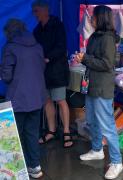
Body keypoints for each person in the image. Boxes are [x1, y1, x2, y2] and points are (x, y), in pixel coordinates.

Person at [75, 5, 123, 180]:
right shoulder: (95, 36)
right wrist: (83, 58)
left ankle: (117, 162)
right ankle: (97, 150)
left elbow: (107, 64)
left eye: (93, 17)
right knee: (92, 120)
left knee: (108, 126)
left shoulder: (109, 39)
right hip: (92, 85)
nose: (91, 20)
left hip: (102, 87)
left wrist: (86, 58)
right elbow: (95, 60)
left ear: (101, 18)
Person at [0, 18, 46, 179]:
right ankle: (35, 167)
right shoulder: (37, 46)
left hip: (18, 99)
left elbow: (6, 76)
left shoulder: (10, 48)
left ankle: (13, 172)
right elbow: (42, 67)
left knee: (13, 135)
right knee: (32, 133)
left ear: (9, 32)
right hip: (36, 97)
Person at [32, 0, 73, 147]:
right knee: (47, 101)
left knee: (61, 100)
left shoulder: (57, 25)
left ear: (45, 10)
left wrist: (48, 57)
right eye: (34, 11)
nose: (34, 14)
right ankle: (51, 131)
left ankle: (67, 132)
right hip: (42, 71)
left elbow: (62, 47)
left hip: (57, 70)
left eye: (36, 11)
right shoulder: (36, 30)